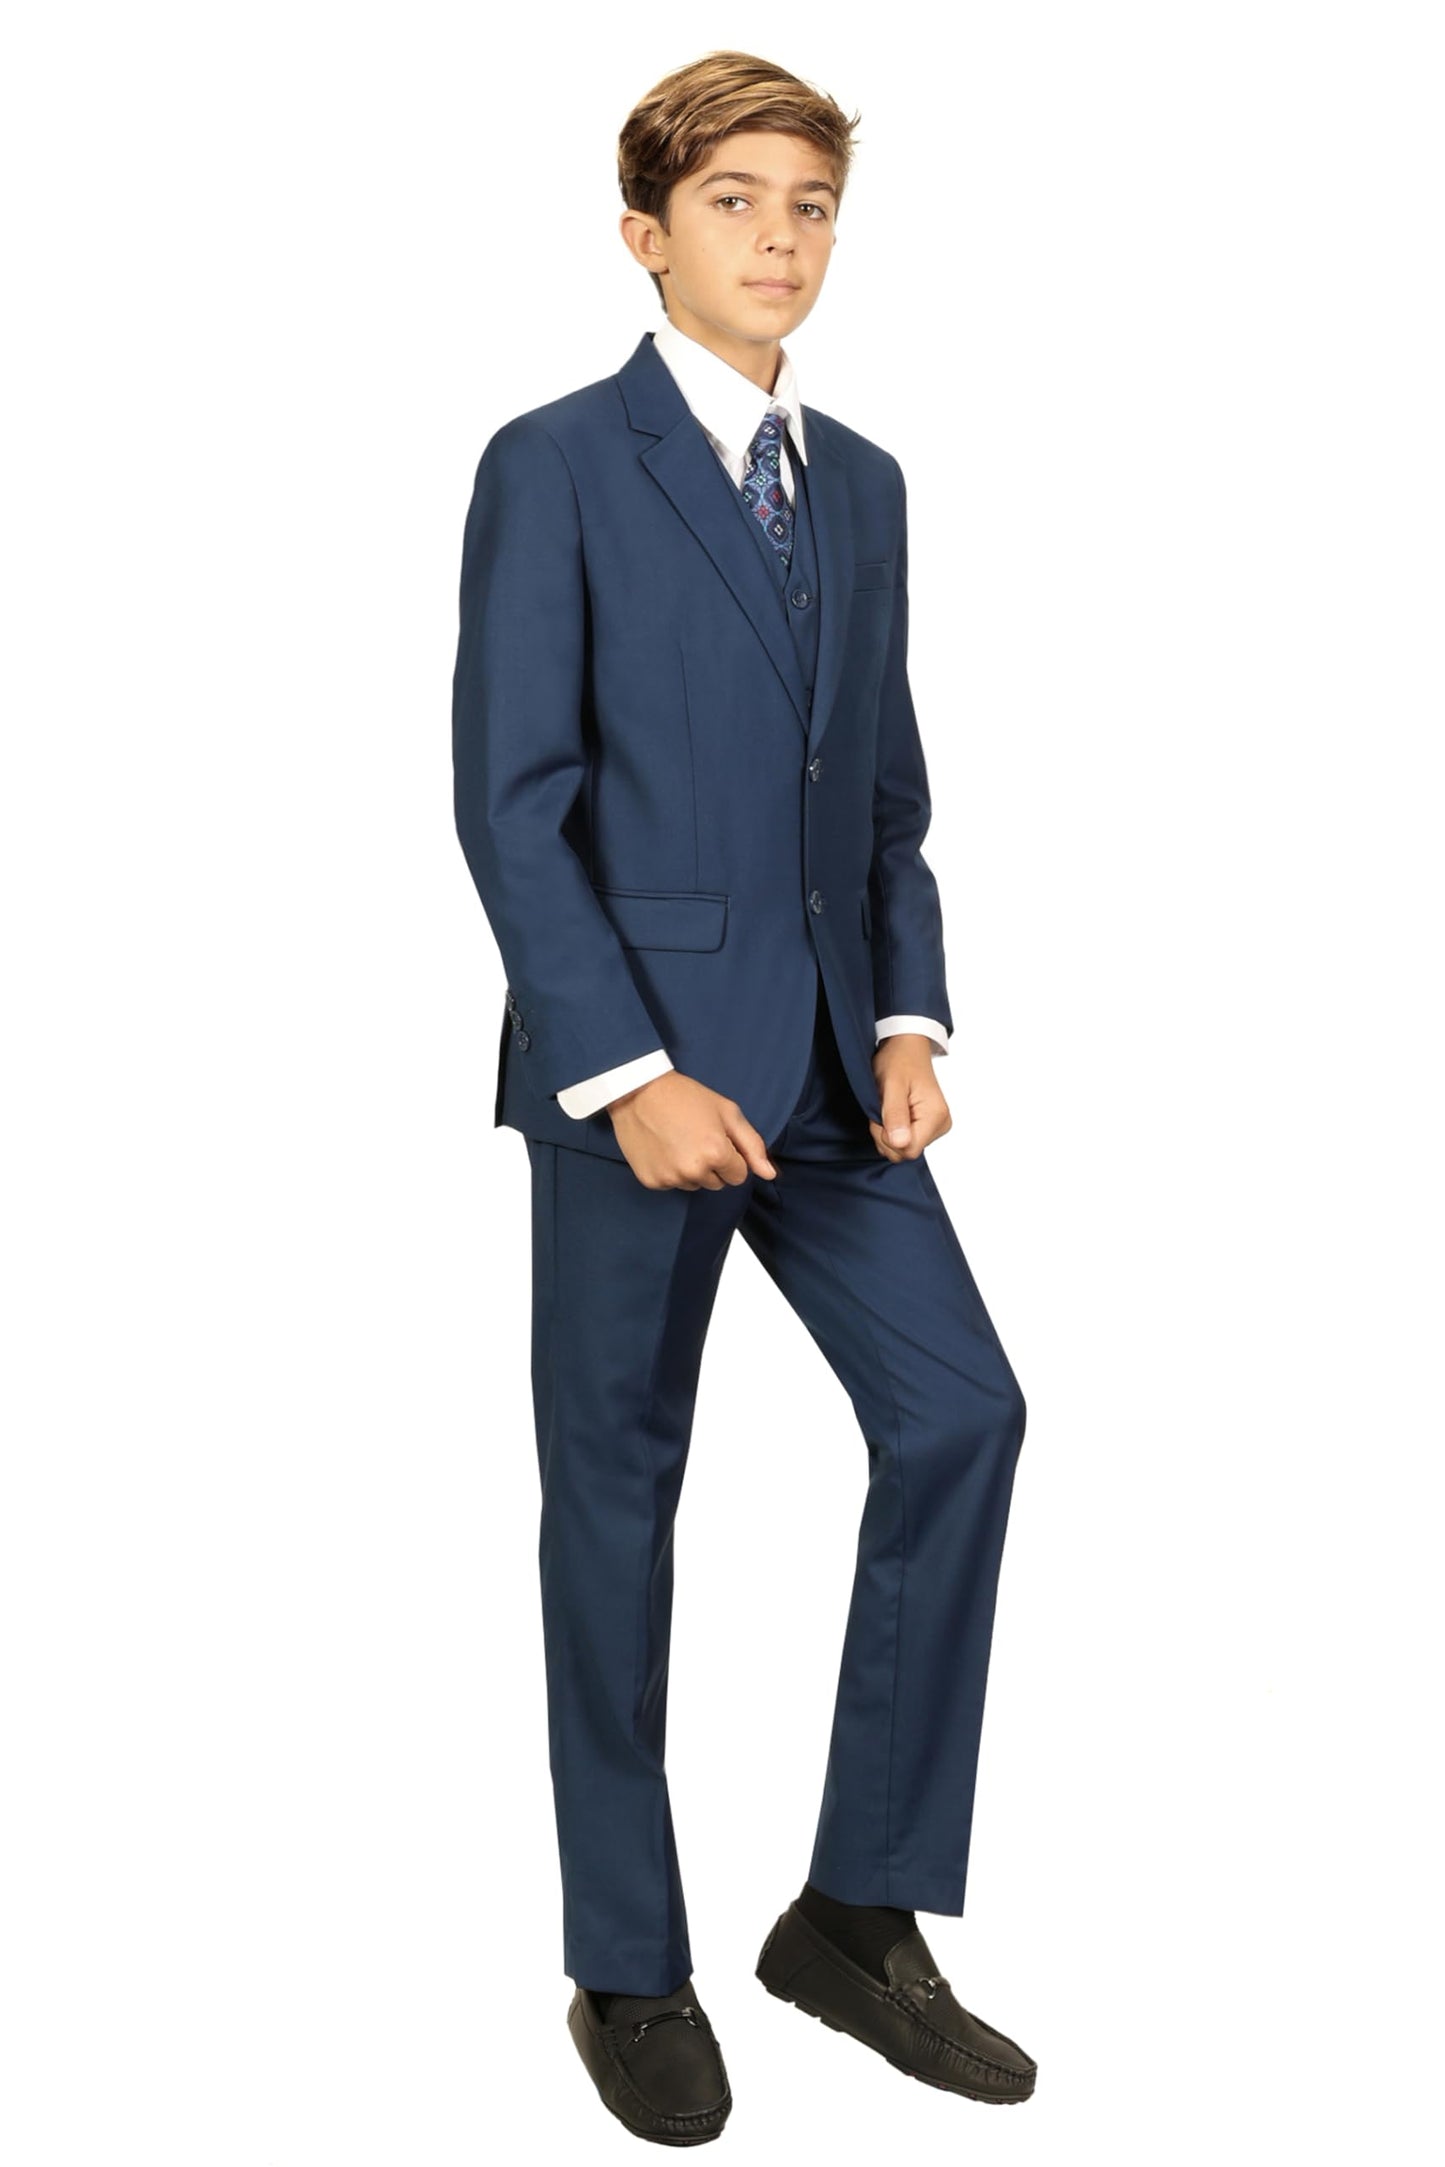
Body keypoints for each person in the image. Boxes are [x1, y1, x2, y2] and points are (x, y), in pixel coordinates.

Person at [451, 48, 1035, 2144]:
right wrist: (622, 1069)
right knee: (618, 1497)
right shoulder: (555, 464)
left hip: (830, 1071)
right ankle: (628, 1960)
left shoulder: (860, 484)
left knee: (962, 1412)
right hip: (640, 1076)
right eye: (733, 204)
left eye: (809, 207)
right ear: (645, 232)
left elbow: (880, 798)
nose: (780, 240)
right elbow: (512, 802)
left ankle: (855, 1916)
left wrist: (908, 1020)